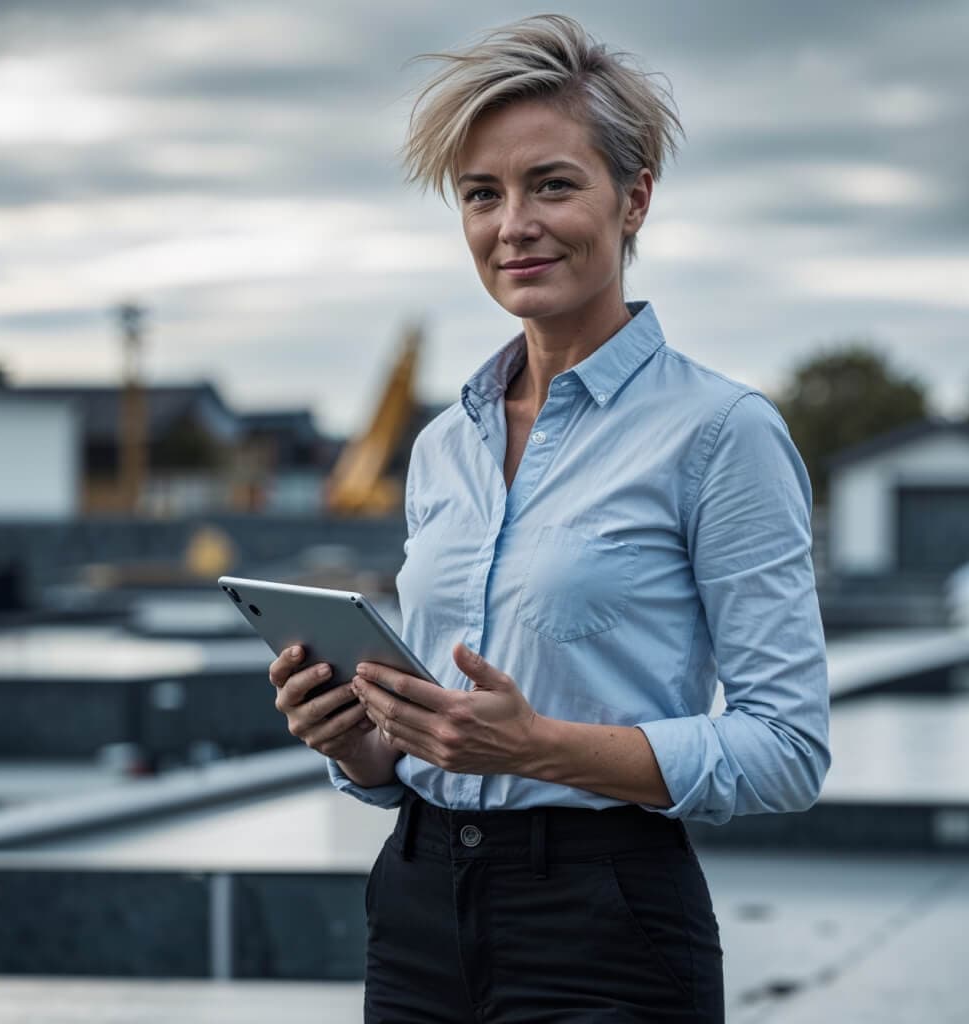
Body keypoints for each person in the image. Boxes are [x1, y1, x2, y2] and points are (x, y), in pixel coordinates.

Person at [269, 14, 830, 1022]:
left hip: (608, 926)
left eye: (552, 184)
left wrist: (537, 746)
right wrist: (359, 744)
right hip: (415, 907)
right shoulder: (444, 445)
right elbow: (435, 742)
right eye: (481, 195)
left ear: (635, 199)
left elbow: (786, 747)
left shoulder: (720, 433)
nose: (511, 224)